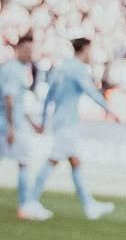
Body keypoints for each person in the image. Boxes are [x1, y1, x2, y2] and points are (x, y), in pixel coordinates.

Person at [29, 37, 117, 218]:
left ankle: (89, 205)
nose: (92, 55)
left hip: (59, 120)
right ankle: (31, 201)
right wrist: (111, 110)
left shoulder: (61, 67)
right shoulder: (78, 69)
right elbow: (90, 91)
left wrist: (44, 120)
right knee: (53, 160)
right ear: (84, 50)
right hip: (67, 123)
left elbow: (49, 97)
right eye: (90, 51)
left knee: (75, 162)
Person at [2, 33, 46, 220]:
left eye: (32, 50)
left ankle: (26, 205)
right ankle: (25, 206)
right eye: (27, 50)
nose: (30, 54)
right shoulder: (14, 69)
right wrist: (11, 127)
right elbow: (9, 99)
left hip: (13, 122)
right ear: (18, 48)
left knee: (23, 162)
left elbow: (17, 102)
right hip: (10, 124)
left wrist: (32, 123)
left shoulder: (15, 68)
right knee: (24, 163)